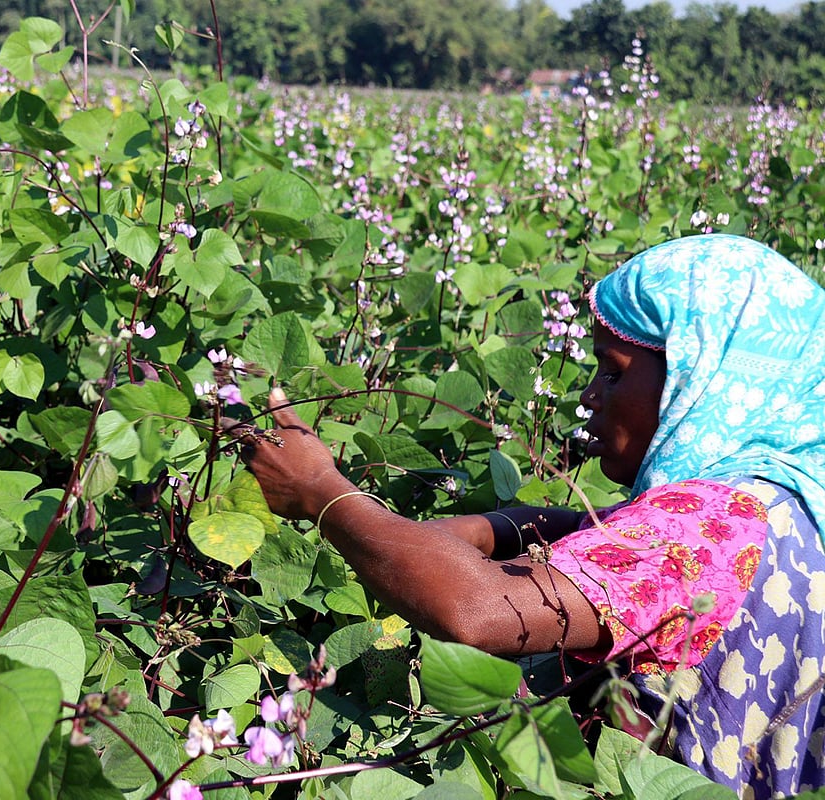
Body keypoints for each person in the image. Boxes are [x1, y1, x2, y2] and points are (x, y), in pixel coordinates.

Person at [239, 234, 825, 797]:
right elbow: (630, 547)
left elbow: (478, 612)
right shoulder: (784, 498)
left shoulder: (711, 521)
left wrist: (323, 492)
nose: (590, 396)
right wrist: (498, 526)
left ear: (698, 377)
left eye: (614, 372)